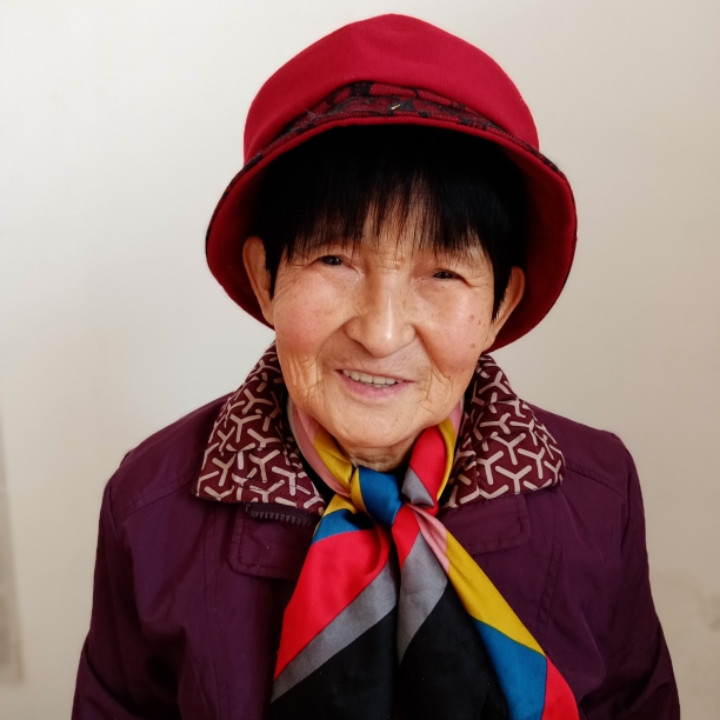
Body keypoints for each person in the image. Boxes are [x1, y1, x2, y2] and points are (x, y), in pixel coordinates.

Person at [72, 14, 679, 720]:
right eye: (335, 260)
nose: (382, 333)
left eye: (442, 273)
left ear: (501, 305)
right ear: (265, 278)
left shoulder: (597, 498)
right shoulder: (150, 509)